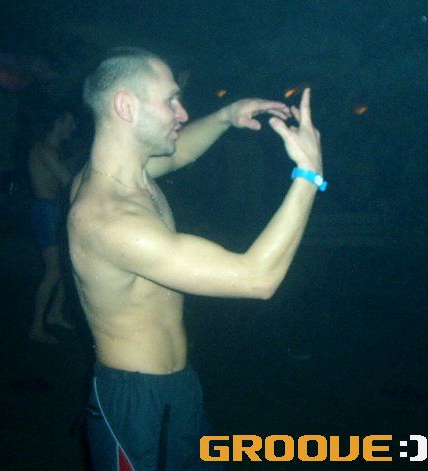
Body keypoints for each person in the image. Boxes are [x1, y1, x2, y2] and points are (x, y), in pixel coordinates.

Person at [68, 47, 324, 469]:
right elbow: (256, 278)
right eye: (170, 100)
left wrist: (226, 116)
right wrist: (308, 175)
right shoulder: (109, 220)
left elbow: (180, 152)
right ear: (125, 106)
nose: (183, 112)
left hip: (178, 389)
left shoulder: (129, 176)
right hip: (138, 407)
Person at [28, 109, 77, 344]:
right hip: (46, 212)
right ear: (58, 122)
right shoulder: (44, 150)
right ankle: (36, 328)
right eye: (70, 121)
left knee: (66, 266)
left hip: (54, 210)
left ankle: (55, 313)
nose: (74, 127)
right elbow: (67, 181)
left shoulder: (53, 150)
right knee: (54, 271)